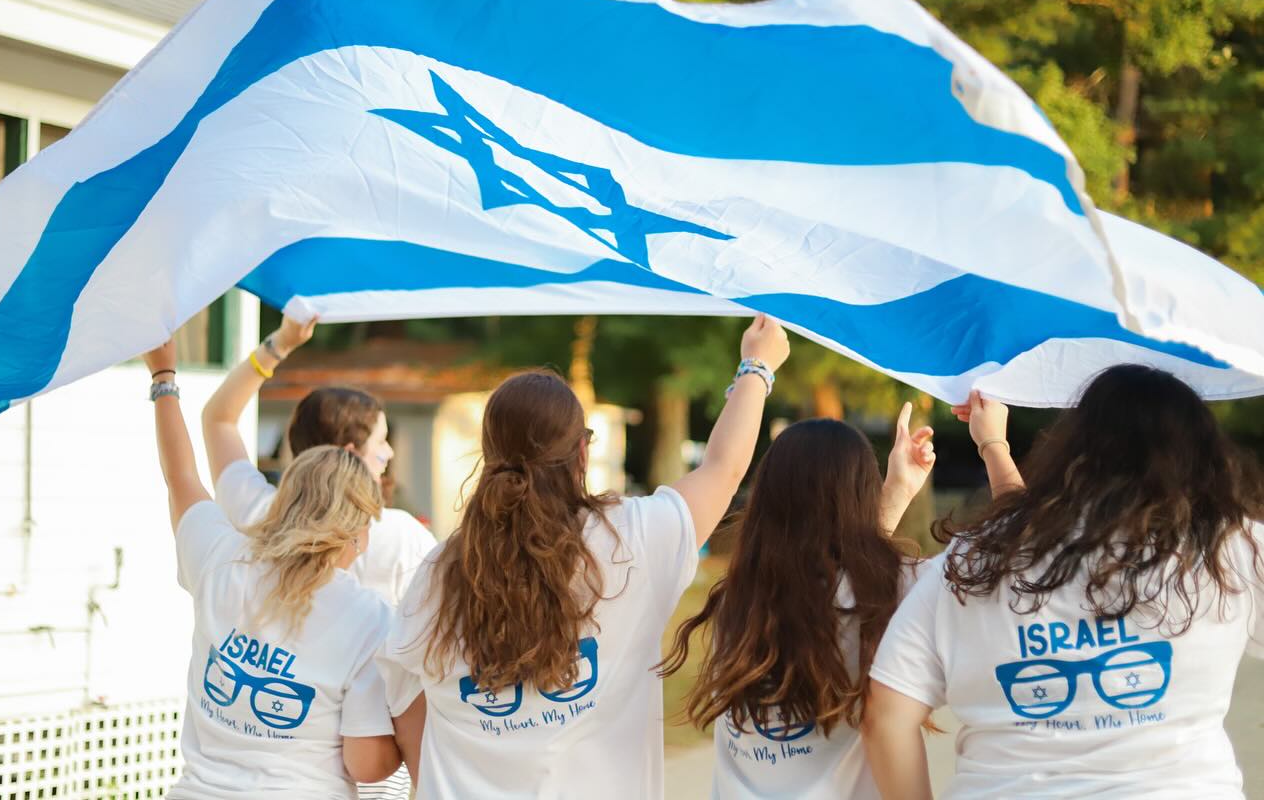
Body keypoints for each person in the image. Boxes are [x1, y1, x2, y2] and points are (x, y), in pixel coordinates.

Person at [376, 315, 791, 799]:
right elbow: (724, 468)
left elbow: (404, 703)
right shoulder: (632, 540)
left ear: (489, 455)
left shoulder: (438, 573)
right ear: (582, 452)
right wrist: (756, 366)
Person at [865, 366, 1264, 799]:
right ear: (1204, 454)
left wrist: (993, 445)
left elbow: (888, 713)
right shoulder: (1233, 548)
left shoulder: (972, 561)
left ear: (1074, 451)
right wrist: (993, 445)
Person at [142, 338, 421, 799]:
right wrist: (403, 742)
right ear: (356, 531)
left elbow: (181, 476)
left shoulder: (220, 556)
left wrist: (163, 379)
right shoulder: (369, 620)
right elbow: (365, 764)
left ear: (286, 497)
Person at [658, 403, 939, 799]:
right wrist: (991, 443)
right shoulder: (900, 587)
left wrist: (897, 493)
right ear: (861, 495)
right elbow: (1001, 565)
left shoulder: (737, 601)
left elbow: (838, 581)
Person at [201, 316, 437, 608]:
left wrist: (279, 345)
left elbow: (218, 419)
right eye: (381, 441)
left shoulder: (258, 510)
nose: (389, 453)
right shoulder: (401, 536)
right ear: (349, 455)